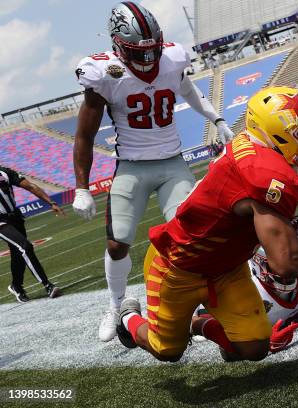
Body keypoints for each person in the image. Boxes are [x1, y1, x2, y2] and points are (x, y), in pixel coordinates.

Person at [115, 86, 298, 362]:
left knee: (254, 348)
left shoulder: (253, 146)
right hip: (178, 265)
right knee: (166, 349)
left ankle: (197, 324)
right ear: (280, 133)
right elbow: (285, 264)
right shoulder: (267, 175)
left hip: (227, 266)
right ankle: (129, 318)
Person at [72, 2, 234, 342]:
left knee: (193, 236)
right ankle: (117, 305)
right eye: (138, 52)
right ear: (118, 44)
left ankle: (201, 303)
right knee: (118, 243)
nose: (147, 59)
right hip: (132, 166)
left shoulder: (172, 58)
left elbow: (189, 91)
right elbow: (85, 135)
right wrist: (82, 188)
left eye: (152, 51)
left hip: (173, 162)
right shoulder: (104, 73)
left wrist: (217, 118)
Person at [195, 247, 298, 352]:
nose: (285, 271)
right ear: (259, 266)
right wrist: (264, 345)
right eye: (277, 265)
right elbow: (224, 350)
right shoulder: (244, 292)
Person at [1, 166, 63, 303]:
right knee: (25, 246)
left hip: (15, 217)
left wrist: (50, 202)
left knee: (18, 254)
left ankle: (16, 286)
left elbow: (29, 186)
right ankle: (48, 285)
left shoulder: (4, 172)